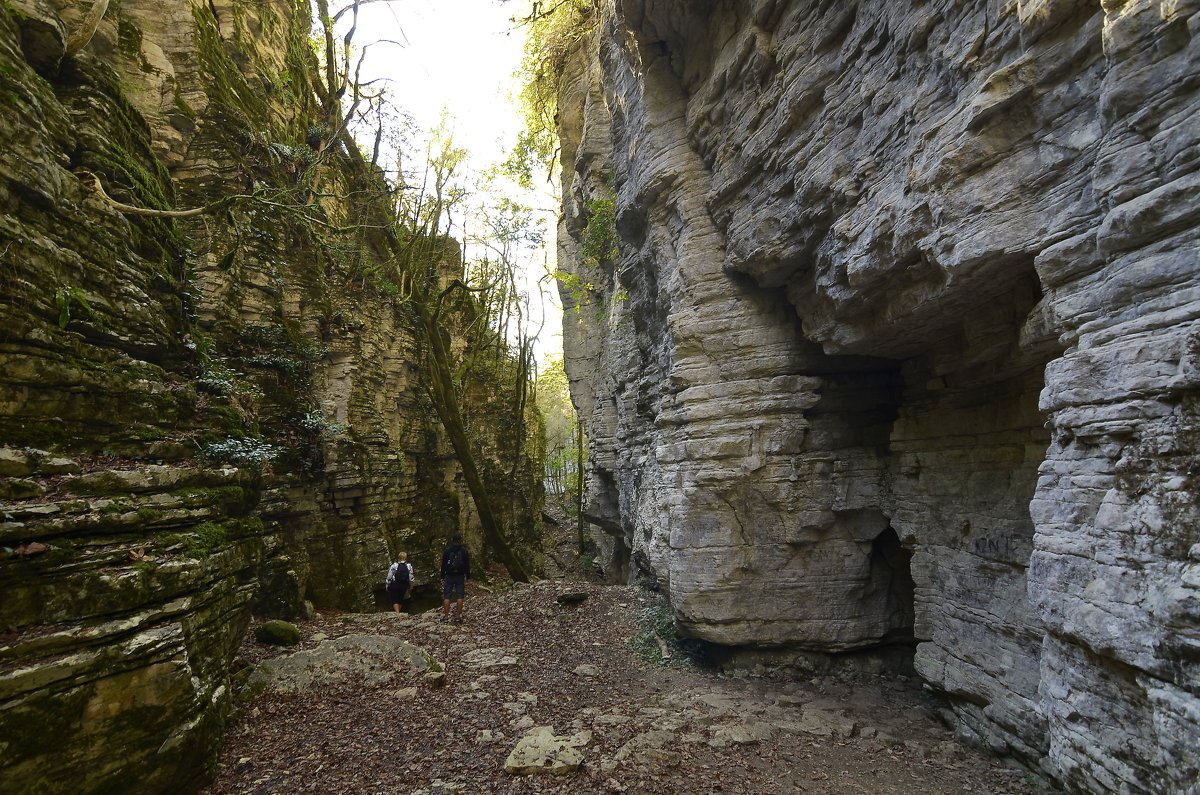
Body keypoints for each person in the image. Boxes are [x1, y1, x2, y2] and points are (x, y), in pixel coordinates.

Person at [440, 532, 470, 623]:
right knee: (460, 596)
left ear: (452, 540)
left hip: (449, 575)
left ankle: (446, 617)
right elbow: (467, 565)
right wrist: (468, 576)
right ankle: (458, 616)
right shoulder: (464, 551)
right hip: (460, 576)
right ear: (460, 540)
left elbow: (443, 565)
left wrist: (442, 576)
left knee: (447, 596)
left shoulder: (447, 551)